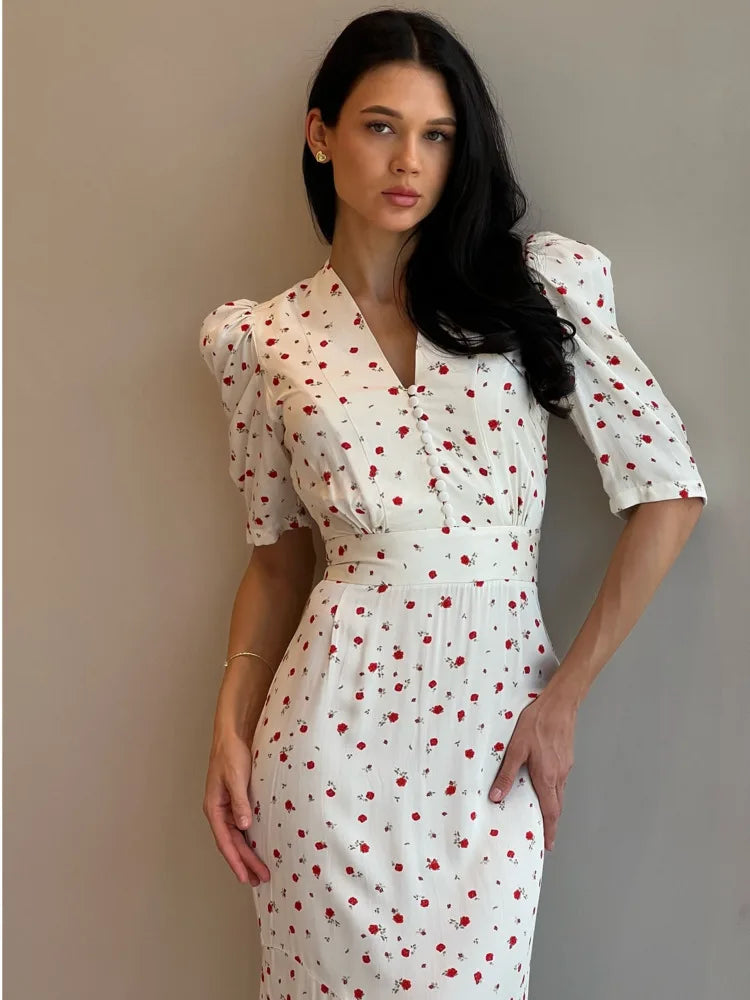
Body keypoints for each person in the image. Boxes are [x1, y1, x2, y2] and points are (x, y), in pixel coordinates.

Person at [199, 9, 708, 999]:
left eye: (437, 135)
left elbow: (669, 493)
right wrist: (229, 719)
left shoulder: (531, 292)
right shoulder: (265, 344)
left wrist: (564, 700)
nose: (410, 161)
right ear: (321, 135)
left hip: (489, 745)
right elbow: (273, 557)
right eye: (380, 126)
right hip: (322, 746)